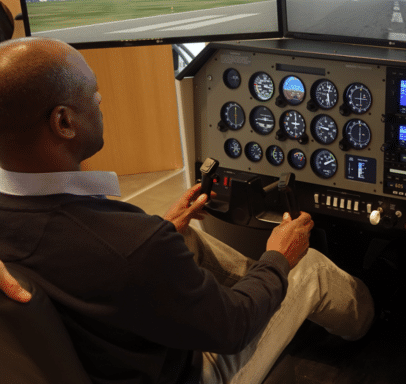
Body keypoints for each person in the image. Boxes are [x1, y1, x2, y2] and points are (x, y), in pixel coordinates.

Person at [0, 37, 374, 384]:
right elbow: (233, 328)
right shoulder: (131, 245)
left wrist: (159, 232)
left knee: (186, 237)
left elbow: (110, 262)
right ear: (64, 122)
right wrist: (278, 258)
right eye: (91, 92)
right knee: (307, 268)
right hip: (185, 371)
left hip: (107, 355)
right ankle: (374, 328)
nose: (100, 100)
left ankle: (266, 293)